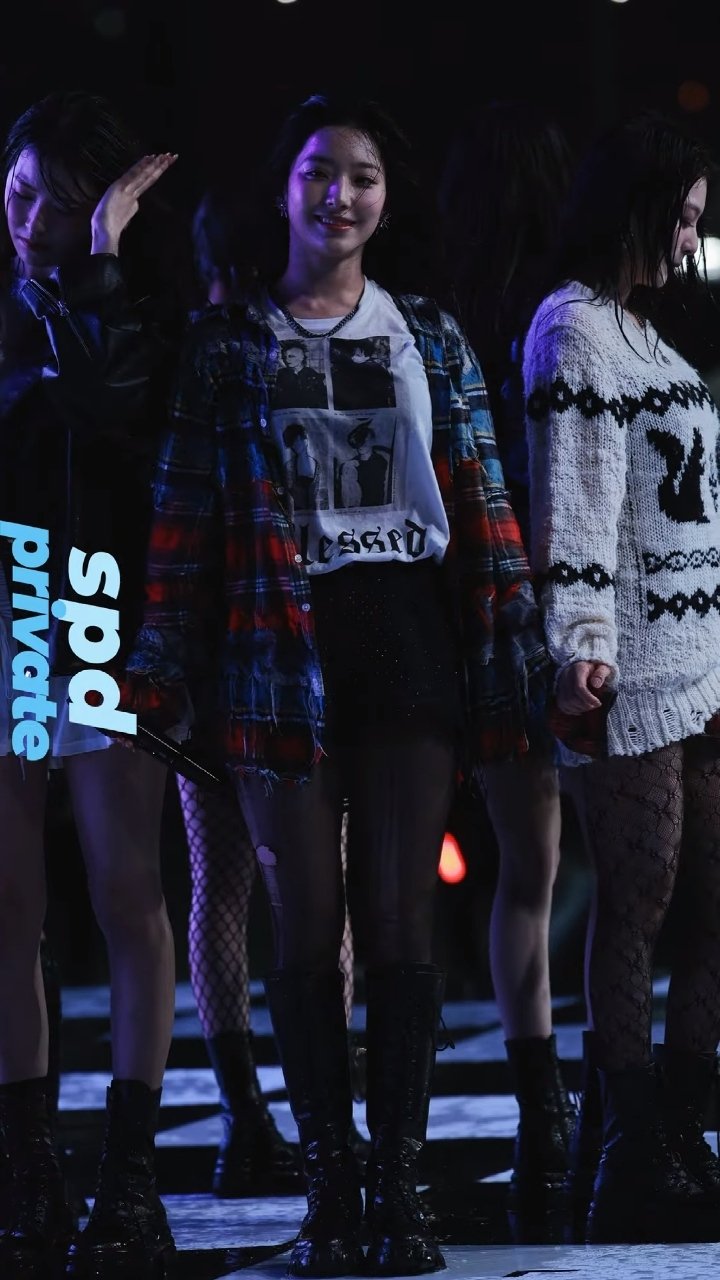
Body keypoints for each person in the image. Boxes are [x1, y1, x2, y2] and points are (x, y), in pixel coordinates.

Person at [121, 91, 549, 1278]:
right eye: (319, 171)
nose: (340, 193)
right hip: (274, 643)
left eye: (362, 174)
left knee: (401, 921)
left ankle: (399, 1187)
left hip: (406, 635)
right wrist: (157, 665)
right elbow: (183, 513)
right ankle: (328, 1188)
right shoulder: (229, 343)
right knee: (306, 923)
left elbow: (485, 499)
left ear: (385, 199)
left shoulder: (431, 333)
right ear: (285, 190)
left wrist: (520, 644)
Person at [523, 108, 720, 1245]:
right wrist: (580, 637)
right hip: (631, 664)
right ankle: (628, 1153)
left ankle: (677, 1134)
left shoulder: (646, 335)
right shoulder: (573, 329)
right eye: (679, 216)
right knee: (639, 900)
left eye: (696, 221)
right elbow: (577, 495)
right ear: (631, 205)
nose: (688, 240)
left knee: (707, 903)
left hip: (701, 660)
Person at [0, 89, 186, 1277]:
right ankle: (27, 1166)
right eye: (19, 192)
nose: (31, 222)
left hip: (97, 610)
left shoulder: (132, 313)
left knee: (128, 889)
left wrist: (104, 262)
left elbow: (103, 401)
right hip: (16, 612)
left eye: (64, 205)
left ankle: (129, 1170)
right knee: (10, 904)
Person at [172, 187, 367, 1201]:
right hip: (279, 647)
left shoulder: (191, 349)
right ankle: (318, 1114)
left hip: (208, 649)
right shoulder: (271, 347)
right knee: (313, 886)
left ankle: (247, 1115)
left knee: (223, 884)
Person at [437, 100, 583, 1226]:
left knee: (517, 876)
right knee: (588, 870)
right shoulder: (572, 309)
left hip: (474, 604)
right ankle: (579, 1102)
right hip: (566, 597)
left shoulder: (445, 311)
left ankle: (542, 1107)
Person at [274, 339, 328, 408]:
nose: (286, 360)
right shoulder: (280, 374)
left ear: (302, 357)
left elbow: (320, 398)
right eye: (284, 357)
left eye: (291, 356)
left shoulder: (312, 374)